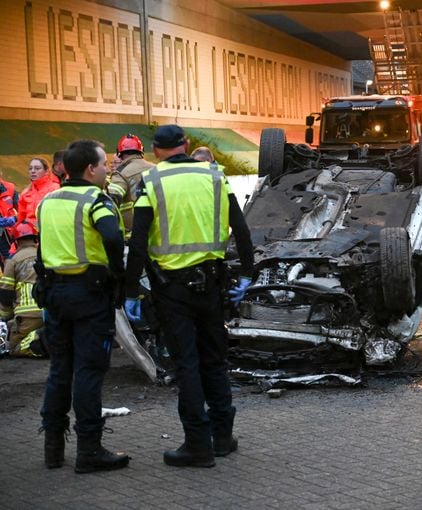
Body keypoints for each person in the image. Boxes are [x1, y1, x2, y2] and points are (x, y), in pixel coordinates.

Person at [123, 124, 255, 467]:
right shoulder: (214, 175)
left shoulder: (151, 182)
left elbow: (137, 243)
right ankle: (222, 437)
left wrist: (129, 291)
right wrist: (247, 272)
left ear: (154, 151)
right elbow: (240, 228)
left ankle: (197, 444)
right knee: (214, 360)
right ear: (186, 145)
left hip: (172, 289)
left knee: (187, 364)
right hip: (212, 285)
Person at [37, 139, 129, 473]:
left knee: (60, 368)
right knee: (88, 371)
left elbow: (42, 248)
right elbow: (113, 237)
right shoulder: (96, 200)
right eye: (105, 164)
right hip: (89, 296)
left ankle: (53, 447)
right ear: (91, 169)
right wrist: (117, 274)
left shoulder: (48, 201)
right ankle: (89, 450)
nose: (108, 168)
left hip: (55, 294)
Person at [0, 221, 46, 357]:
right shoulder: (44, 256)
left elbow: (5, 293)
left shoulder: (13, 261)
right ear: (35, 238)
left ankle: (41, 338)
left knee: (14, 348)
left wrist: (4, 317)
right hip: (51, 313)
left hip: (27, 317)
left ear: (16, 241)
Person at [106, 134, 153, 231]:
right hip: (157, 228)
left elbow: (112, 200)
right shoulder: (156, 168)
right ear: (141, 151)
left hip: (133, 232)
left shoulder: (121, 173)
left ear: (119, 153)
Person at [18, 157, 60, 226]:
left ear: (46, 171)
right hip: (29, 233)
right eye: (30, 168)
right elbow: (21, 218)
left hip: (48, 229)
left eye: (37, 168)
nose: (33, 171)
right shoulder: (25, 192)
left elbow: (57, 214)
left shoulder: (54, 188)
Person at [0, 171, 20, 264]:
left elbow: (22, 210)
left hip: (7, 235)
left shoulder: (10, 189)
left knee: (10, 263)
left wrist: (15, 218)